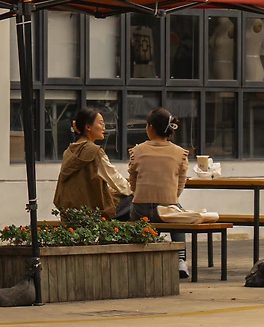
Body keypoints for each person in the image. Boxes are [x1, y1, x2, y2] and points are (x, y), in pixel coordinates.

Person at [128, 107, 191, 279]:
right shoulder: (180, 153)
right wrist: (170, 198)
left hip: (140, 209)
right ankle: (180, 260)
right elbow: (180, 184)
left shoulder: (137, 151)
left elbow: (133, 181)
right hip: (167, 207)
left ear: (150, 128)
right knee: (178, 213)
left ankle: (138, 256)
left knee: (132, 212)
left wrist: (140, 194)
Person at [53, 108, 132, 220]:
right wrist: (135, 190)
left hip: (69, 213)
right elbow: (116, 180)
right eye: (101, 123)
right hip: (93, 213)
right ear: (88, 127)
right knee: (131, 199)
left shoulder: (68, 151)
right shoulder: (95, 152)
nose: (104, 127)